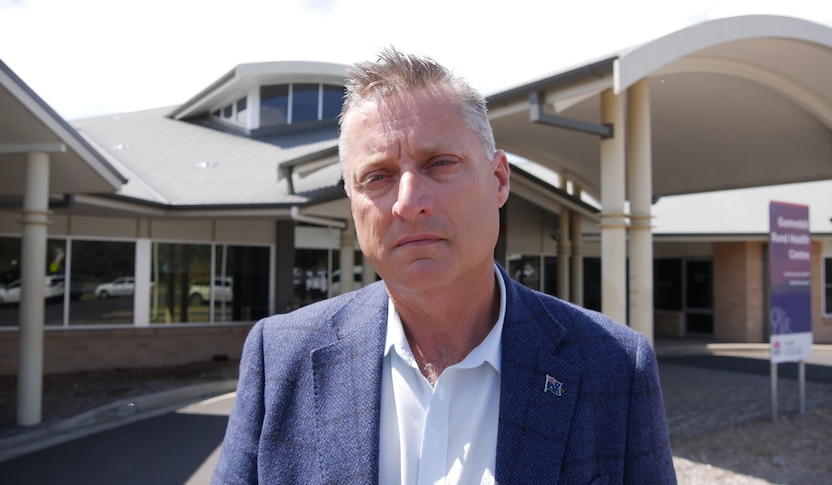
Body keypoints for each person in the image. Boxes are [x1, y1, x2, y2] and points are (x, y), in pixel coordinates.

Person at [213, 48, 676, 484]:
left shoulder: (614, 365)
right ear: (353, 202)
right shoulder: (279, 358)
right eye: (378, 176)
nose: (409, 202)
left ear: (498, 180)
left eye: (439, 163)